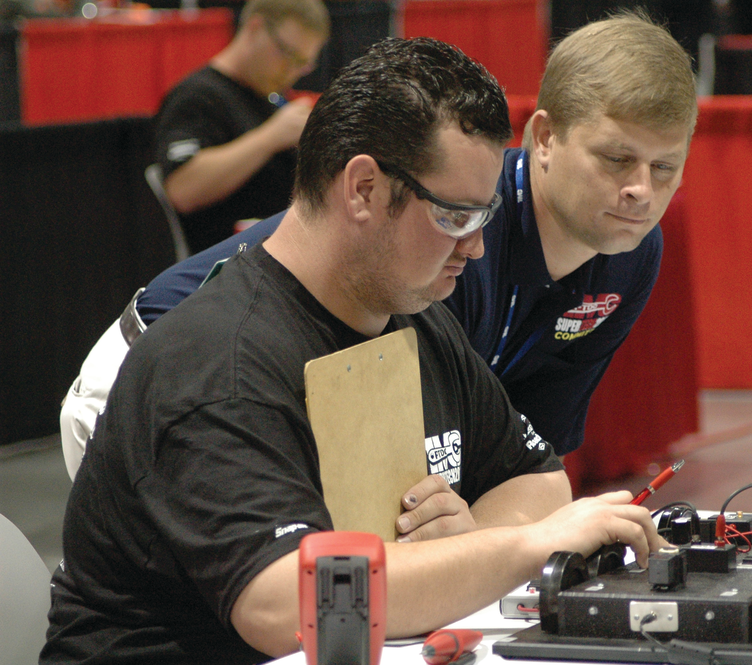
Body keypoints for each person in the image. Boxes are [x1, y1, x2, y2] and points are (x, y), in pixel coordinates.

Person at [42, 37, 662, 664]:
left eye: (485, 217)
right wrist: (524, 548)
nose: (475, 249)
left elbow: (537, 479)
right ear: (363, 189)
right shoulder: (217, 363)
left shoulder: (411, 319)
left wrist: (466, 542)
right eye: (455, 217)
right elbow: (285, 606)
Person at [59, 11, 699, 478]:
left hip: (283, 399)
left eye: (664, 168)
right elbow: (397, 471)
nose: (641, 190)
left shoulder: (634, 258)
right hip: (155, 367)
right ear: (546, 138)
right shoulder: (451, 232)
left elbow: (532, 455)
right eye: (617, 159)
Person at [154, 0, 329, 254]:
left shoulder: (269, 96)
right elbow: (182, 188)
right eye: (287, 54)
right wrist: (270, 137)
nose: (291, 71)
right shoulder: (197, 96)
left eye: (302, 63)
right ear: (255, 28)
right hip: (231, 265)